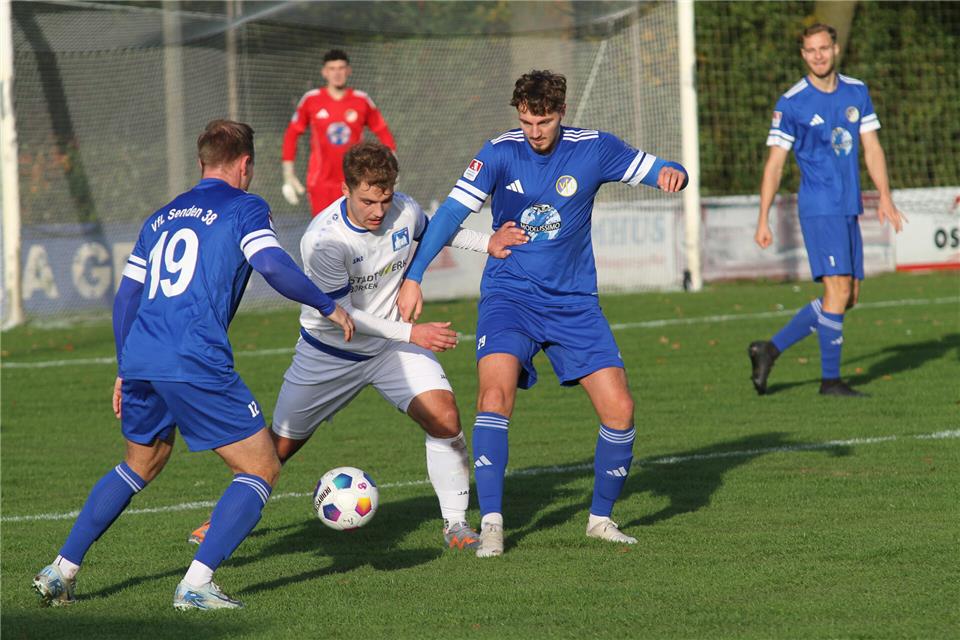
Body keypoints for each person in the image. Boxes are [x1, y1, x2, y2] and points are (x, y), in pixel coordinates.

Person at [32, 120, 354, 610]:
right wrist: (327, 303)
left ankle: (61, 569)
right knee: (261, 466)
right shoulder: (245, 207)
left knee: (141, 462)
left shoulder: (160, 217)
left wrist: (125, 366)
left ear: (201, 161)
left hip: (143, 352)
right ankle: (196, 584)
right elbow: (270, 265)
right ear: (245, 164)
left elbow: (126, 298)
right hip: (194, 355)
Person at [396, 70, 688, 557]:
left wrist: (671, 173)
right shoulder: (498, 152)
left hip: (574, 304)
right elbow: (449, 214)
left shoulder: (594, 148)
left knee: (620, 409)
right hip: (510, 297)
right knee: (494, 396)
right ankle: (491, 525)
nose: (535, 131)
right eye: (528, 120)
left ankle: (600, 520)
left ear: (562, 114)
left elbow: (656, 166)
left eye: (545, 121)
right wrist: (414, 275)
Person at [187, 140, 528, 550]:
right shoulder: (324, 240)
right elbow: (347, 318)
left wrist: (486, 241)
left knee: (445, 418)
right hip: (328, 354)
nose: (378, 211)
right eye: (367, 200)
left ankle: (455, 525)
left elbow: (437, 228)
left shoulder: (404, 209)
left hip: (390, 351)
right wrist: (412, 333)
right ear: (346, 189)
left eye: (384, 200)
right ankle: (222, 518)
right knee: (275, 449)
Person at [749, 23, 906, 397]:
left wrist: (884, 195)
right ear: (803, 55)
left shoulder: (857, 91)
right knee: (836, 291)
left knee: (849, 296)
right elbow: (774, 165)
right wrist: (763, 216)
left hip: (849, 205)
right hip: (819, 207)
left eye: (823, 48)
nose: (817, 55)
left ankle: (768, 349)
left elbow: (872, 147)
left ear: (835, 49)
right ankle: (830, 381)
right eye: (810, 50)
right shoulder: (792, 103)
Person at [281, 49, 396, 215]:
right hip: (321, 182)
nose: (337, 73)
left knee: (358, 233)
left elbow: (383, 132)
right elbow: (291, 134)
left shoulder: (361, 99)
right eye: (332, 68)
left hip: (356, 180)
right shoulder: (311, 99)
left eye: (341, 68)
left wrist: (391, 166)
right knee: (323, 233)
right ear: (324, 72)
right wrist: (288, 175)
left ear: (349, 70)